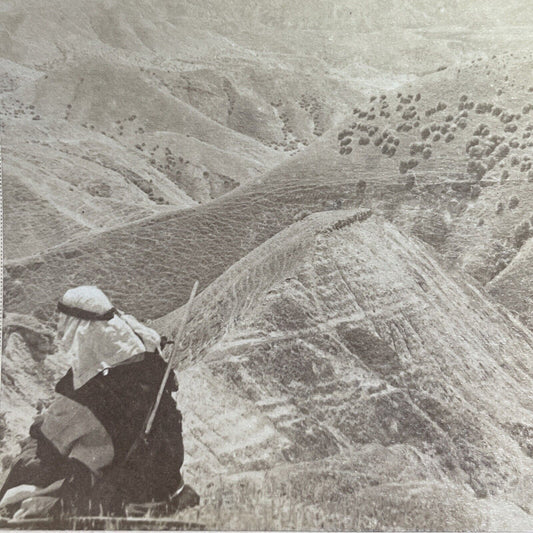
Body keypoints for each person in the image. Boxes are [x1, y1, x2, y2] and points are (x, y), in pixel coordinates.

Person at [0, 286, 199, 520]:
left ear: (79, 330)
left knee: (31, 454)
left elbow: (50, 443)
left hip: (119, 489)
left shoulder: (87, 391)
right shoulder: (152, 367)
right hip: (163, 484)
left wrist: (40, 425)